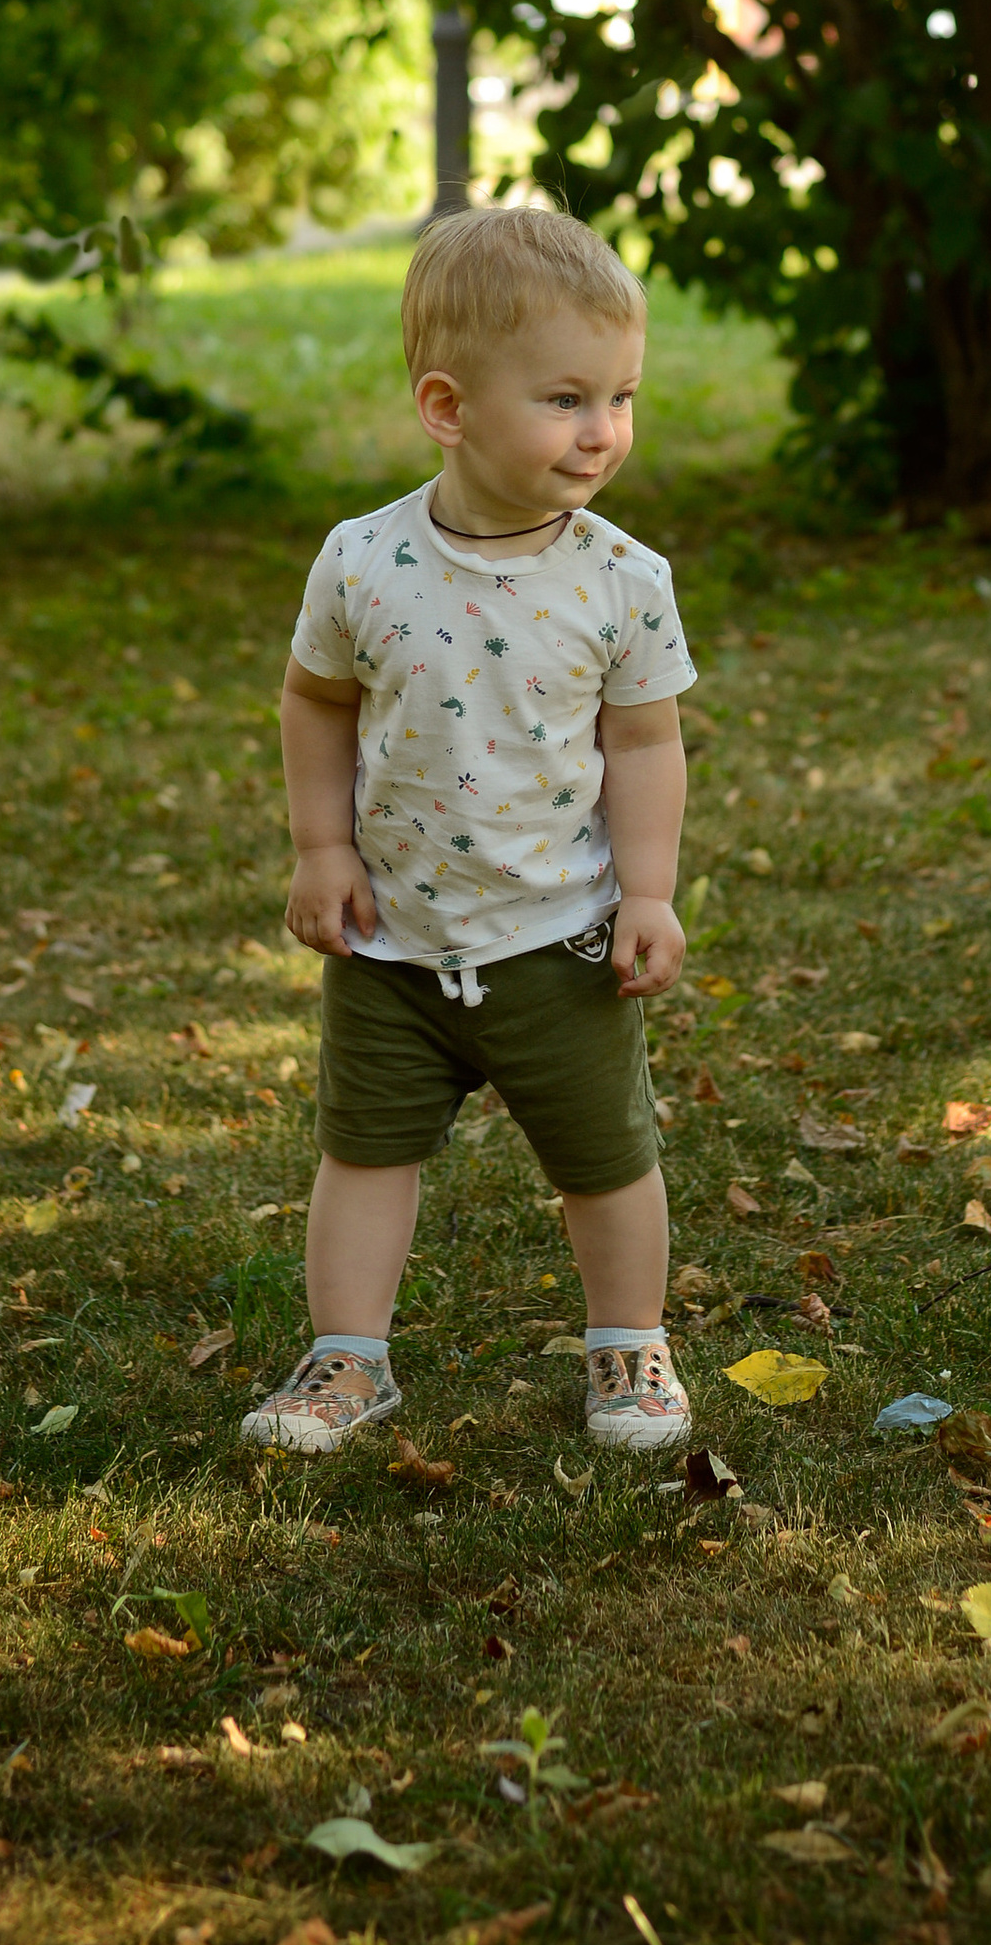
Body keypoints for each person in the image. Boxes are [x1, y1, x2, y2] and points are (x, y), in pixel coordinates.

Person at [241, 204, 696, 1461]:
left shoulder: (621, 579)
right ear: (448, 408)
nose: (602, 429)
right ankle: (347, 1360)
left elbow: (645, 744)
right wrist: (322, 848)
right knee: (364, 1153)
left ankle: (629, 1345)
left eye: (620, 394)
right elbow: (316, 701)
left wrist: (646, 895)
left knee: (606, 1159)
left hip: (560, 939)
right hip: (394, 942)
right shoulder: (362, 564)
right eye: (564, 398)